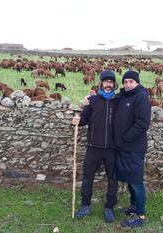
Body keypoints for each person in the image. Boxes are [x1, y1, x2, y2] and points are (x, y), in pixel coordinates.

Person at [71, 70, 119, 223]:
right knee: (87, 178)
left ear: (114, 85)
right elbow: (84, 119)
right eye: (106, 82)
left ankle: (109, 208)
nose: (108, 85)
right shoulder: (92, 101)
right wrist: (78, 119)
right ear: (101, 83)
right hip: (93, 147)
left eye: (111, 82)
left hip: (112, 149)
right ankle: (85, 205)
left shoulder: (118, 101)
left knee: (113, 179)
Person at [113, 70, 151, 228]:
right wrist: (90, 98)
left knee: (136, 181)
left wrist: (125, 138)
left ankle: (141, 215)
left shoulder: (141, 97)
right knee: (129, 179)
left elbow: (143, 123)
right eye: (125, 81)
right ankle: (134, 206)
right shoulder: (123, 96)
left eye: (131, 81)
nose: (128, 84)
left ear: (137, 82)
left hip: (134, 147)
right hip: (123, 147)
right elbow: (108, 101)